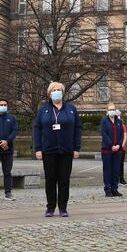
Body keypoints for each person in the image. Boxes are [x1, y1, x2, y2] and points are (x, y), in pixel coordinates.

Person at [33, 81, 82, 217]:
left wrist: (76, 148)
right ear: (50, 93)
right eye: (54, 90)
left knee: (64, 179)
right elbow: (37, 129)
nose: (56, 92)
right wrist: (38, 148)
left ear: (63, 92)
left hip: (66, 150)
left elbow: (78, 129)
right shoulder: (43, 109)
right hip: (49, 150)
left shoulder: (71, 109)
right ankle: (50, 207)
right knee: (50, 179)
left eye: (59, 90)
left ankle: (63, 207)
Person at [100, 103, 125, 197]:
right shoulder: (104, 121)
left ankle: (115, 189)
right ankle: (108, 189)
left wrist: (119, 144)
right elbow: (104, 134)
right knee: (107, 170)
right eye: (110, 109)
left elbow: (122, 134)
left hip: (118, 150)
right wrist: (111, 145)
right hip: (107, 150)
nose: (112, 111)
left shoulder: (119, 121)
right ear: (107, 111)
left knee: (116, 170)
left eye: (113, 109)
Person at [117, 109, 127, 187]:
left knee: (120, 165)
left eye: (119, 115)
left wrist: (121, 145)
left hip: (121, 148)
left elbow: (125, 136)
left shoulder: (122, 125)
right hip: (113, 147)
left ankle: (121, 179)